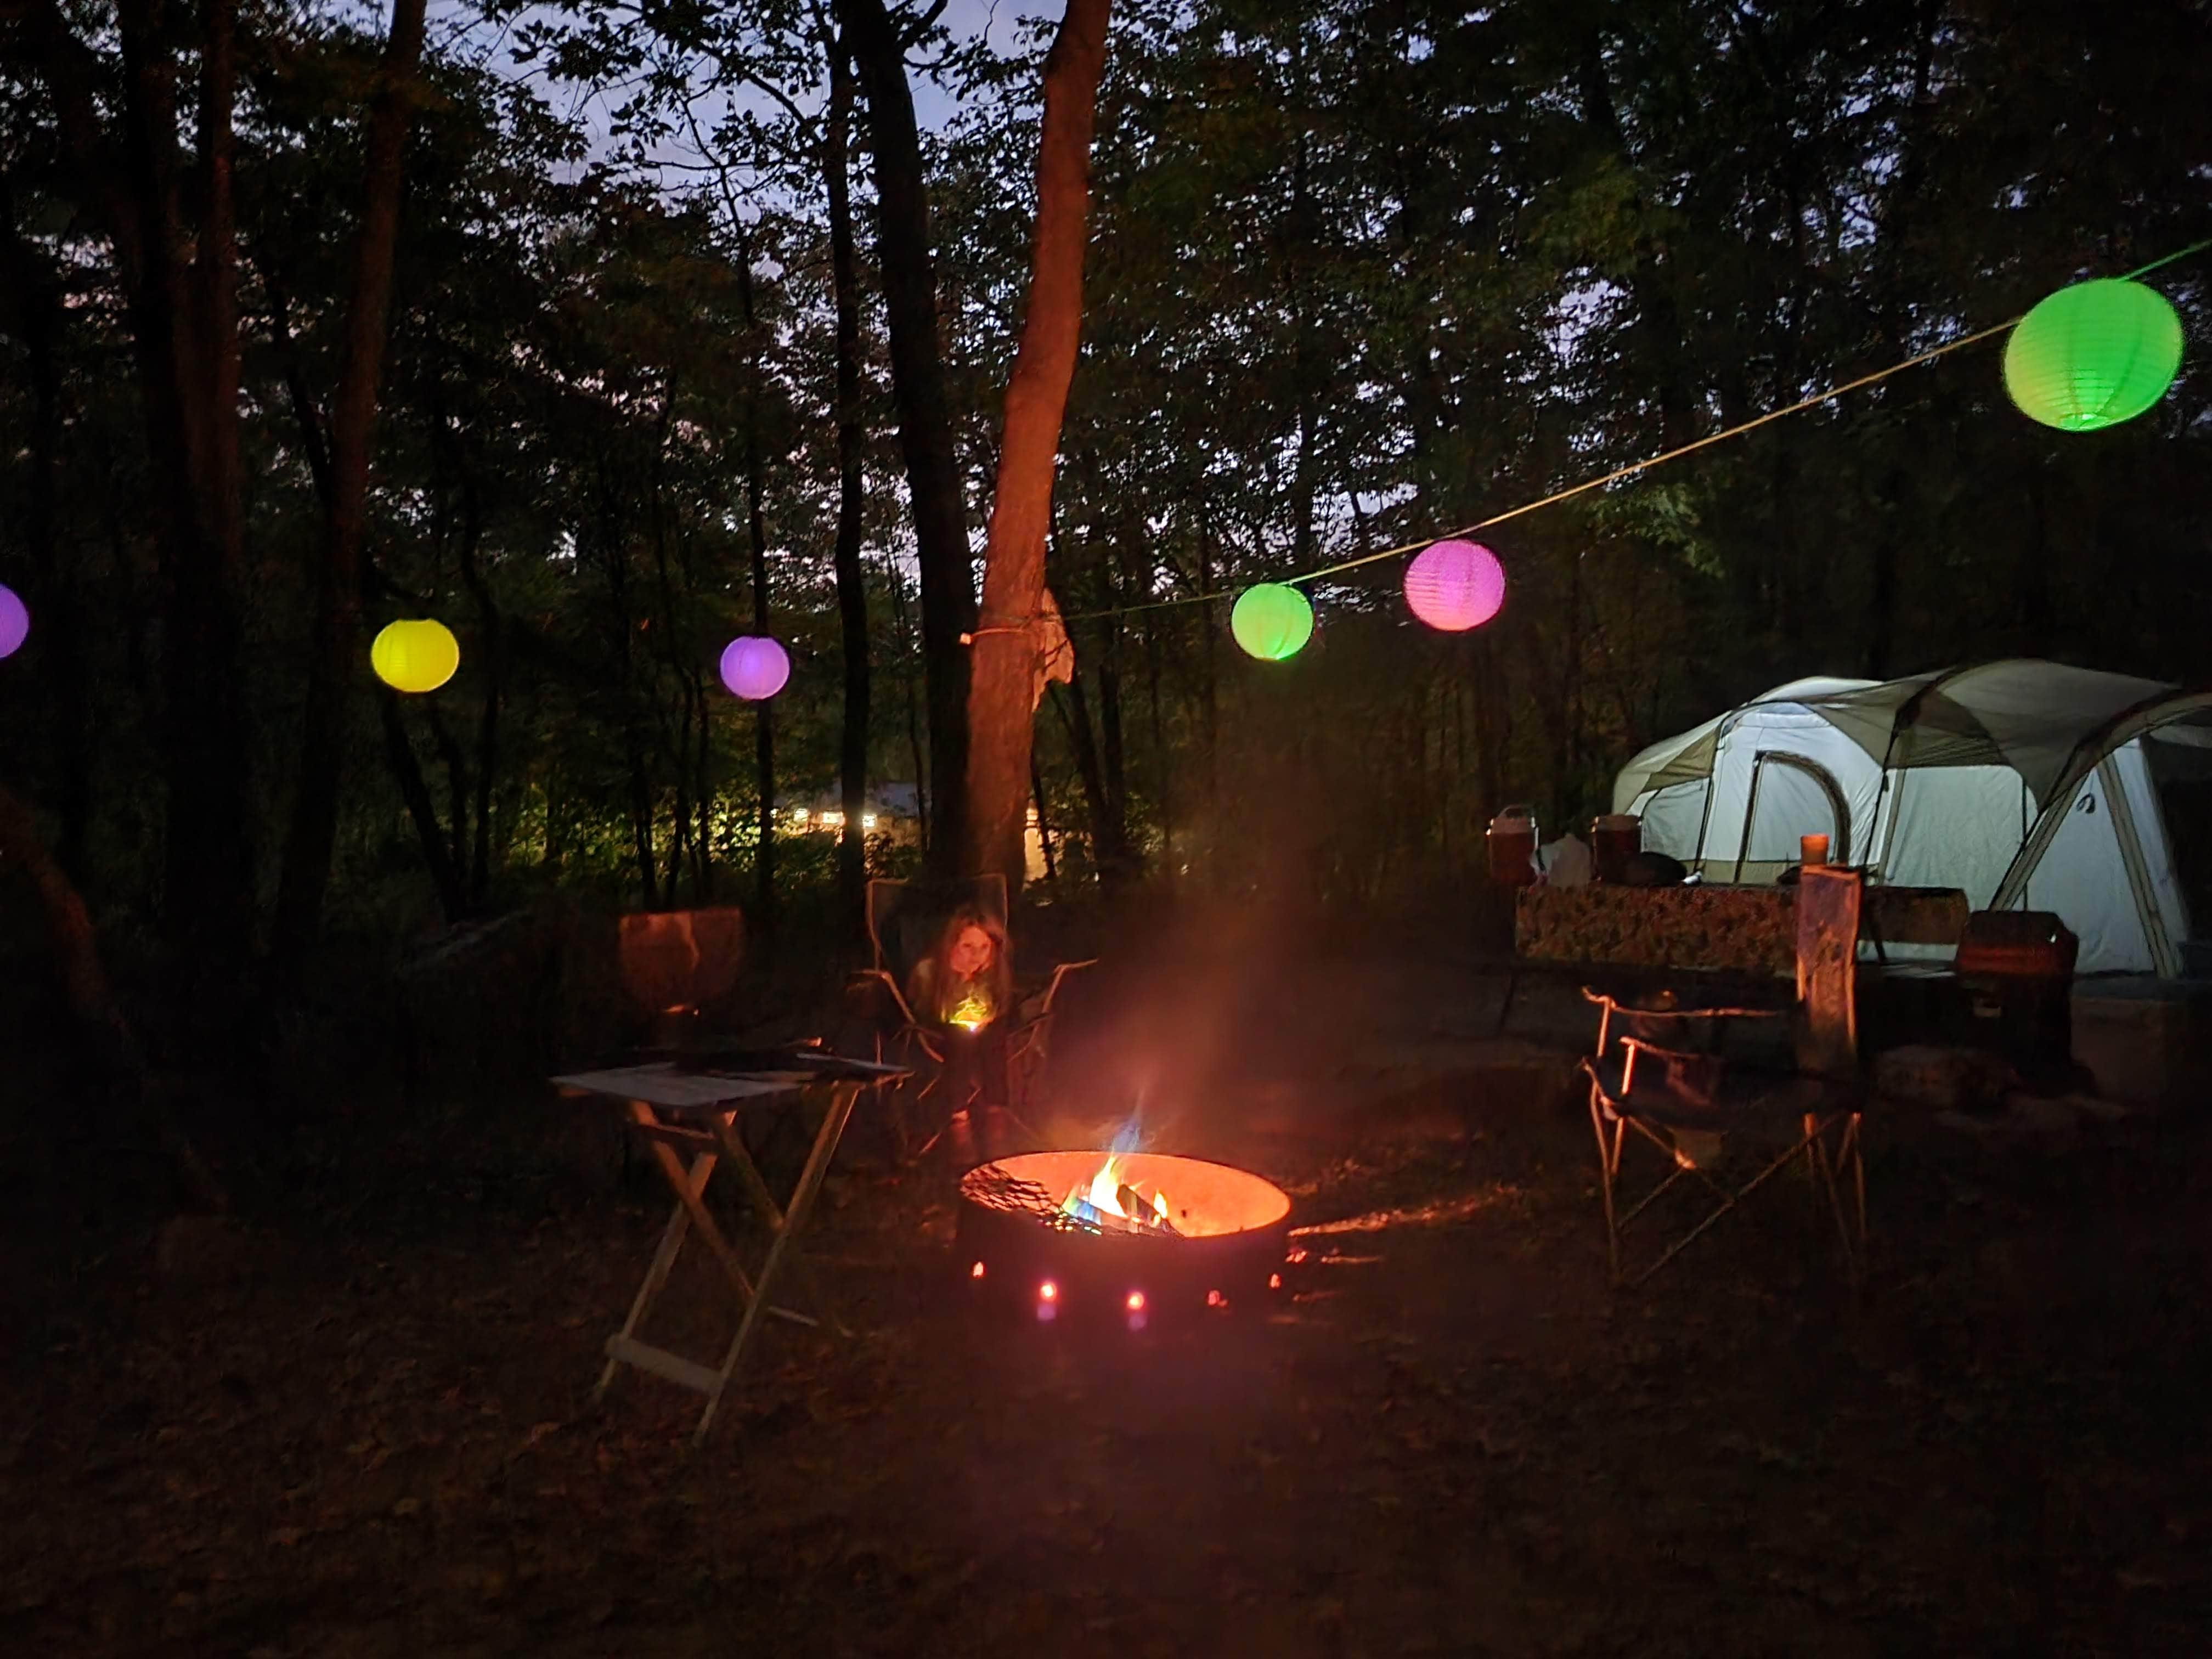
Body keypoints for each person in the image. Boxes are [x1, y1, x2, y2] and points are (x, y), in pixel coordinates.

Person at [905, 905, 1016, 1164]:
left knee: (994, 1035)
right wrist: (959, 978)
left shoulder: (994, 972)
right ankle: (959, 1123)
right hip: (941, 1034)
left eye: (984, 947)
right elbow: (922, 1011)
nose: (976, 955)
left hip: (985, 1035)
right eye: (968, 946)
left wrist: (985, 1011)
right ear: (951, 945)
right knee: (961, 1035)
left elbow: (1001, 1006)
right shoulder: (929, 970)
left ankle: (997, 1119)